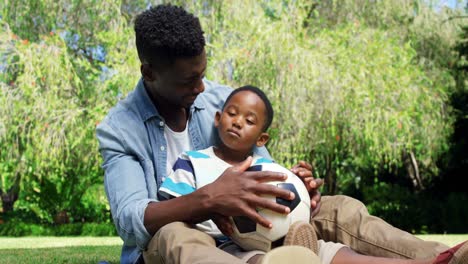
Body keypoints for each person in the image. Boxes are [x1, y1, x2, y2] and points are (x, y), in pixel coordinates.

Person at [96, 4, 465, 264]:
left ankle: (445, 258)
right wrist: (209, 199)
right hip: (180, 242)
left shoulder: (223, 102)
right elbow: (130, 220)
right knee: (176, 235)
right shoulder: (120, 129)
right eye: (188, 80)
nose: (202, 86)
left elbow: (263, 166)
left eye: (203, 72)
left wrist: (295, 188)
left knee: (340, 210)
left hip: (252, 228)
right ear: (149, 74)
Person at [157, 85, 468, 264]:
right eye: (232, 114)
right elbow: (173, 209)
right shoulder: (193, 162)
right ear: (217, 118)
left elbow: (286, 209)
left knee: (334, 253)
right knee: (252, 259)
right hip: (230, 246)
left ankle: (433, 262)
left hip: (280, 240)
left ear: (262, 139)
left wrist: (302, 192)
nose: (237, 122)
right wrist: (213, 204)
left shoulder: (270, 171)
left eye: (249, 120)